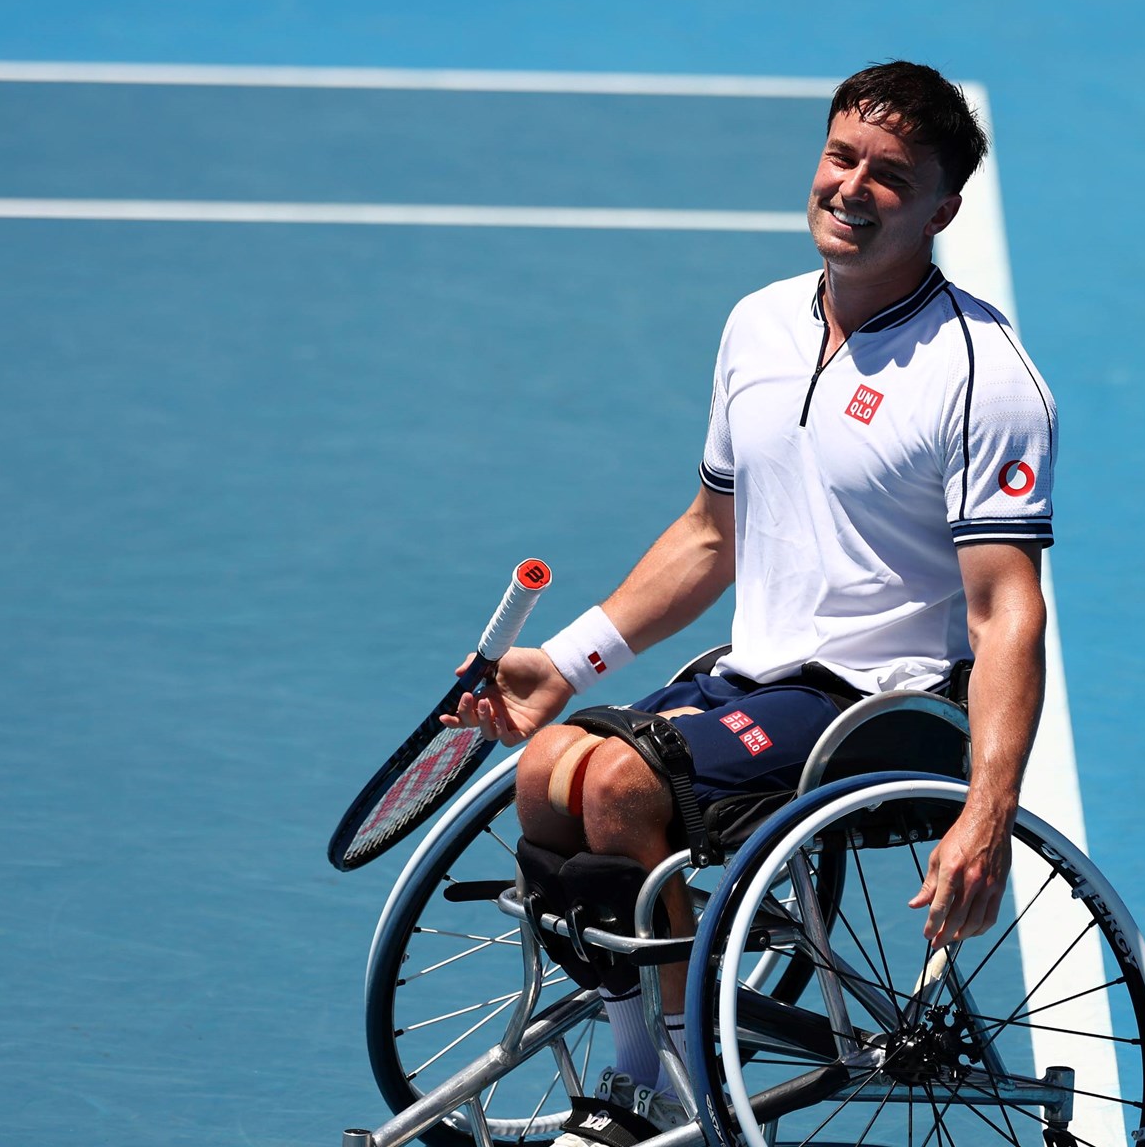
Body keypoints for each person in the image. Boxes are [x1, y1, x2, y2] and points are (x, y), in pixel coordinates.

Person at [440, 59, 1056, 1142]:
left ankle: (667, 1095)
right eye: (841, 156)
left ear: (940, 210)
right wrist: (566, 663)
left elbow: (1007, 610)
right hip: (754, 676)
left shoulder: (984, 377)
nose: (851, 187)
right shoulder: (758, 325)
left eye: (890, 175)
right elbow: (708, 534)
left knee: (622, 787)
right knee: (548, 767)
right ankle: (636, 1080)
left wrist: (988, 811)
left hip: (883, 706)